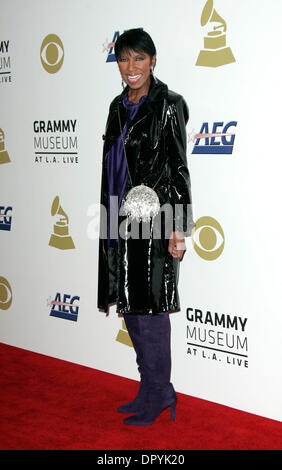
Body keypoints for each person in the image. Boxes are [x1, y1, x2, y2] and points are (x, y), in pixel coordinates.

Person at [98, 29, 194, 426]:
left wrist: (178, 227)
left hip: (154, 221)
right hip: (118, 217)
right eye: (124, 59)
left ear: (153, 61)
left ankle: (161, 393)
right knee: (132, 310)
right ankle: (149, 388)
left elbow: (178, 170)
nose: (131, 67)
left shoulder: (170, 105)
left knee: (151, 312)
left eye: (139, 58)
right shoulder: (117, 107)